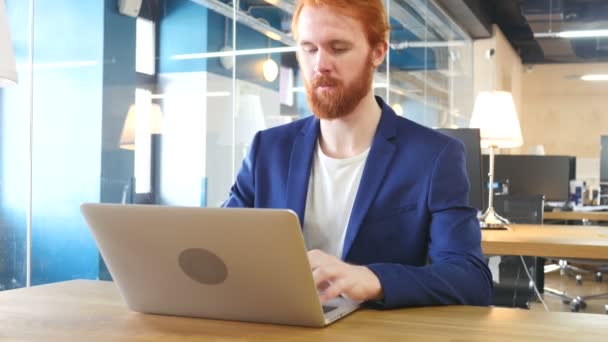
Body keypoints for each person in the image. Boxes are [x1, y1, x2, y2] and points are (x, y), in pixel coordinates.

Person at [224, 0, 493, 309]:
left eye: (338, 48)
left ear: (378, 52)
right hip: (277, 324)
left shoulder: (434, 156)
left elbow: (471, 279)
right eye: (309, 49)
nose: (320, 64)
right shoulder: (267, 149)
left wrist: (373, 279)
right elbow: (221, 242)